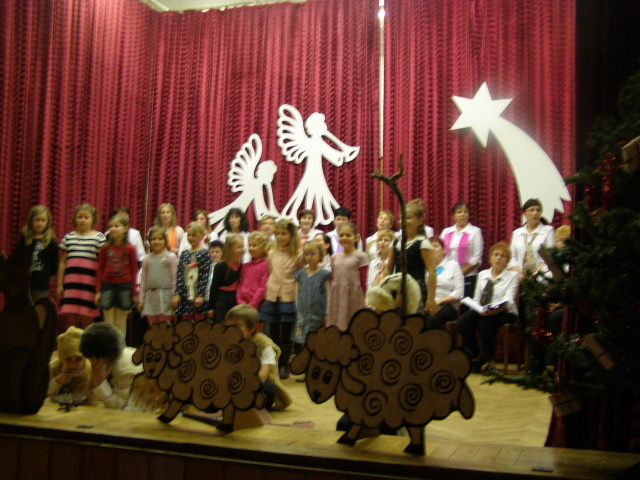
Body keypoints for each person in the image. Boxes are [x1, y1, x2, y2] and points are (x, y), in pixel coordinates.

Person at [458, 242, 519, 375]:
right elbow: (476, 298)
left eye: (502, 256)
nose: (498, 258)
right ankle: (476, 356)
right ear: (490, 258)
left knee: (485, 325)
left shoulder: (512, 276)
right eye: (496, 255)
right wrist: (478, 308)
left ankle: (489, 362)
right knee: (463, 322)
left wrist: (494, 310)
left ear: (507, 261)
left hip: (504, 311)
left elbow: (509, 300)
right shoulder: (482, 274)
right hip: (483, 309)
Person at [260, 219, 304, 379]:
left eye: (283, 234)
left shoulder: (298, 254)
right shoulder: (271, 253)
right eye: (277, 234)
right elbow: (271, 271)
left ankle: (284, 365)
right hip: (272, 297)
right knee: (272, 334)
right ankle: (273, 364)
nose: (279, 237)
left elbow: (300, 275)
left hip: (289, 297)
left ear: (291, 235)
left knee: (286, 335)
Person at [226, 304, 292, 411]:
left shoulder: (264, 346)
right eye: (229, 326)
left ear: (251, 328)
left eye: (237, 326)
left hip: (254, 384)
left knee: (268, 389)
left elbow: (262, 377)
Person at [384, 199, 438, 316]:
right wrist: (382, 288)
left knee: (414, 322)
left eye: (407, 218)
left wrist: (430, 298)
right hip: (398, 289)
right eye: (401, 218)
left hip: (416, 290)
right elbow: (388, 269)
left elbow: (432, 271)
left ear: (419, 221)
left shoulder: (422, 243)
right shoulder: (396, 242)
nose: (402, 221)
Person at [57, 203, 107, 331]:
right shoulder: (69, 238)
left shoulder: (99, 238)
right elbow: (62, 262)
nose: (83, 220)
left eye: (86, 217)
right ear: (75, 218)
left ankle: (87, 343)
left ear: (92, 219)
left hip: (89, 285)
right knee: (71, 318)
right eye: (80, 217)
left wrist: (99, 288)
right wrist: (60, 284)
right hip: (71, 285)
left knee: (87, 318)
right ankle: (70, 342)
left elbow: (102, 265)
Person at [95, 214, 139, 337]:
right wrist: (98, 291)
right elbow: (100, 269)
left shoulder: (130, 249)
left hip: (124, 287)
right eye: (111, 226)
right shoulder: (104, 248)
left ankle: (120, 347)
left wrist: (134, 292)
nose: (113, 229)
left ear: (125, 228)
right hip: (107, 286)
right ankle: (108, 346)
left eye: (116, 226)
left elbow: (134, 271)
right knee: (108, 321)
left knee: (121, 321)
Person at [79, 323, 141, 409]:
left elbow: (121, 407)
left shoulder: (125, 371)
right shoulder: (120, 353)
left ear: (95, 358)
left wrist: (101, 382)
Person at [327, 222, 368, 331]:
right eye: (341, 235)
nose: (344, 238)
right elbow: (333, 280)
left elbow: (363, 280)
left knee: (353, 326)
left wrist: (365, 298)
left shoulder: (361, 256)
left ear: (356, 237)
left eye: (348, 235)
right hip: (337, 296)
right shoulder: (334, 257)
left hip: (354, 296)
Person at [440, 202, 483, 300]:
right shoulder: (446, 231)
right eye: (459, 212)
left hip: (467, 276)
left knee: (464, 305)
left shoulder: (475, 231)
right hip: (447, 277)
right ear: (453, 216)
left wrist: (458, 274)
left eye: (465, 212)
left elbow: (476, 258)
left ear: (469, 215)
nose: (462, 214)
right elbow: (439, 252)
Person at [294, 240, 331, 351]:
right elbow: (296, 294)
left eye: (312, 254)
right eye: (306, 254)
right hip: (303, 314)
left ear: (320, 255)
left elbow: (328, 295)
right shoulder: (300, 274)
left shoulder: (324, 274)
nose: (309, 257)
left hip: (318, 314)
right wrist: (298, 311)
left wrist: (327, 312)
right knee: (303, 342)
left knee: (317, 341)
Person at [19, 205, 58, 306]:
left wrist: (45, 280)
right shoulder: (24, 239)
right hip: (23, 285)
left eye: (43, 220)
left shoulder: (51, 241)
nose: (40, 223)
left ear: (48, 221)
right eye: (37, 220)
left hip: (41, 286)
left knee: (38, 311)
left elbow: (54, 265)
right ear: (31, 220)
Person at [172, 222, 211, 321]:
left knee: (199, 324)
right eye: (189, 235)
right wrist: (177, 294)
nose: (190, 238)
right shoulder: (184, 254)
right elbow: (180, 275)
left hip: (197, 294)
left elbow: (204, 276)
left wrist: (201, 295)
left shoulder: (205, 253)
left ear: (201, 236)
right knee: (186, 323)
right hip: (185, 295)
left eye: (194, 235)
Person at [138, 226, 177, 325]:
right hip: (150, 296)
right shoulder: (146, 259)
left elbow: (175, 278)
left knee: (164, 326)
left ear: (165, 240)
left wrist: (174, 296)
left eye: (160, 239)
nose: (157, 241)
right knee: (152, 327)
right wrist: (141, 300)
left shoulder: (171, 257)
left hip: (166, 296)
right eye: (153, 239)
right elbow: (143, 280)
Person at [509, 198, 555, 278]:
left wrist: (536, 274)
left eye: (538, 210)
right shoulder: (517, 233)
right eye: (531, 210)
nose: (535, 213)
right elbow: (512, 256)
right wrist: (519, 273)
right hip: (520, 276)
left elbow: (550, 255)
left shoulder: (548, 231)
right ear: (524, 213)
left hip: (542, 275)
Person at [424, 237, 464, 328]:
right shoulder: (425, 268)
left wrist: (439, 301)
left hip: (448, 305)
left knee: (432, 320)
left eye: (436, 246)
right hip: (429, 304)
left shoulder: (453, 265)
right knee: (416, 319)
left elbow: (459, 292)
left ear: (444, 250)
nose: (432, 249)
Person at [48, 326, 92, 405]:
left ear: (84, 359)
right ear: (62, 359)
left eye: (78, 359)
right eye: (68, 359)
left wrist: (52, 398)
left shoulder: (89, 371)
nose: (73, 364)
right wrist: (57, 381)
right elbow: (44, 393)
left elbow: (77, 398)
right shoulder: (53, 368)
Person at [208, 234, 244, 324]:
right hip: (222, 300)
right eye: (239, 247)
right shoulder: (220, 266)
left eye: (242, 246)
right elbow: (214, 287)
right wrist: (211, 307)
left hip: (235, 299)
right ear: (230, 249)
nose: (242, 249)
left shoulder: (242, 266)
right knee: (222, 325)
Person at [236, 231, 271, 311]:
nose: (251, 248)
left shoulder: (265, 265)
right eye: (249, 245)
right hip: (243, 305)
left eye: (254, 245)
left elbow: (263, 287)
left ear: (264, 247)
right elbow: (240, 285)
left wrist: (252, 305)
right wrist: (240, 302)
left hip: (257, 306)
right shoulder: (245, 266)